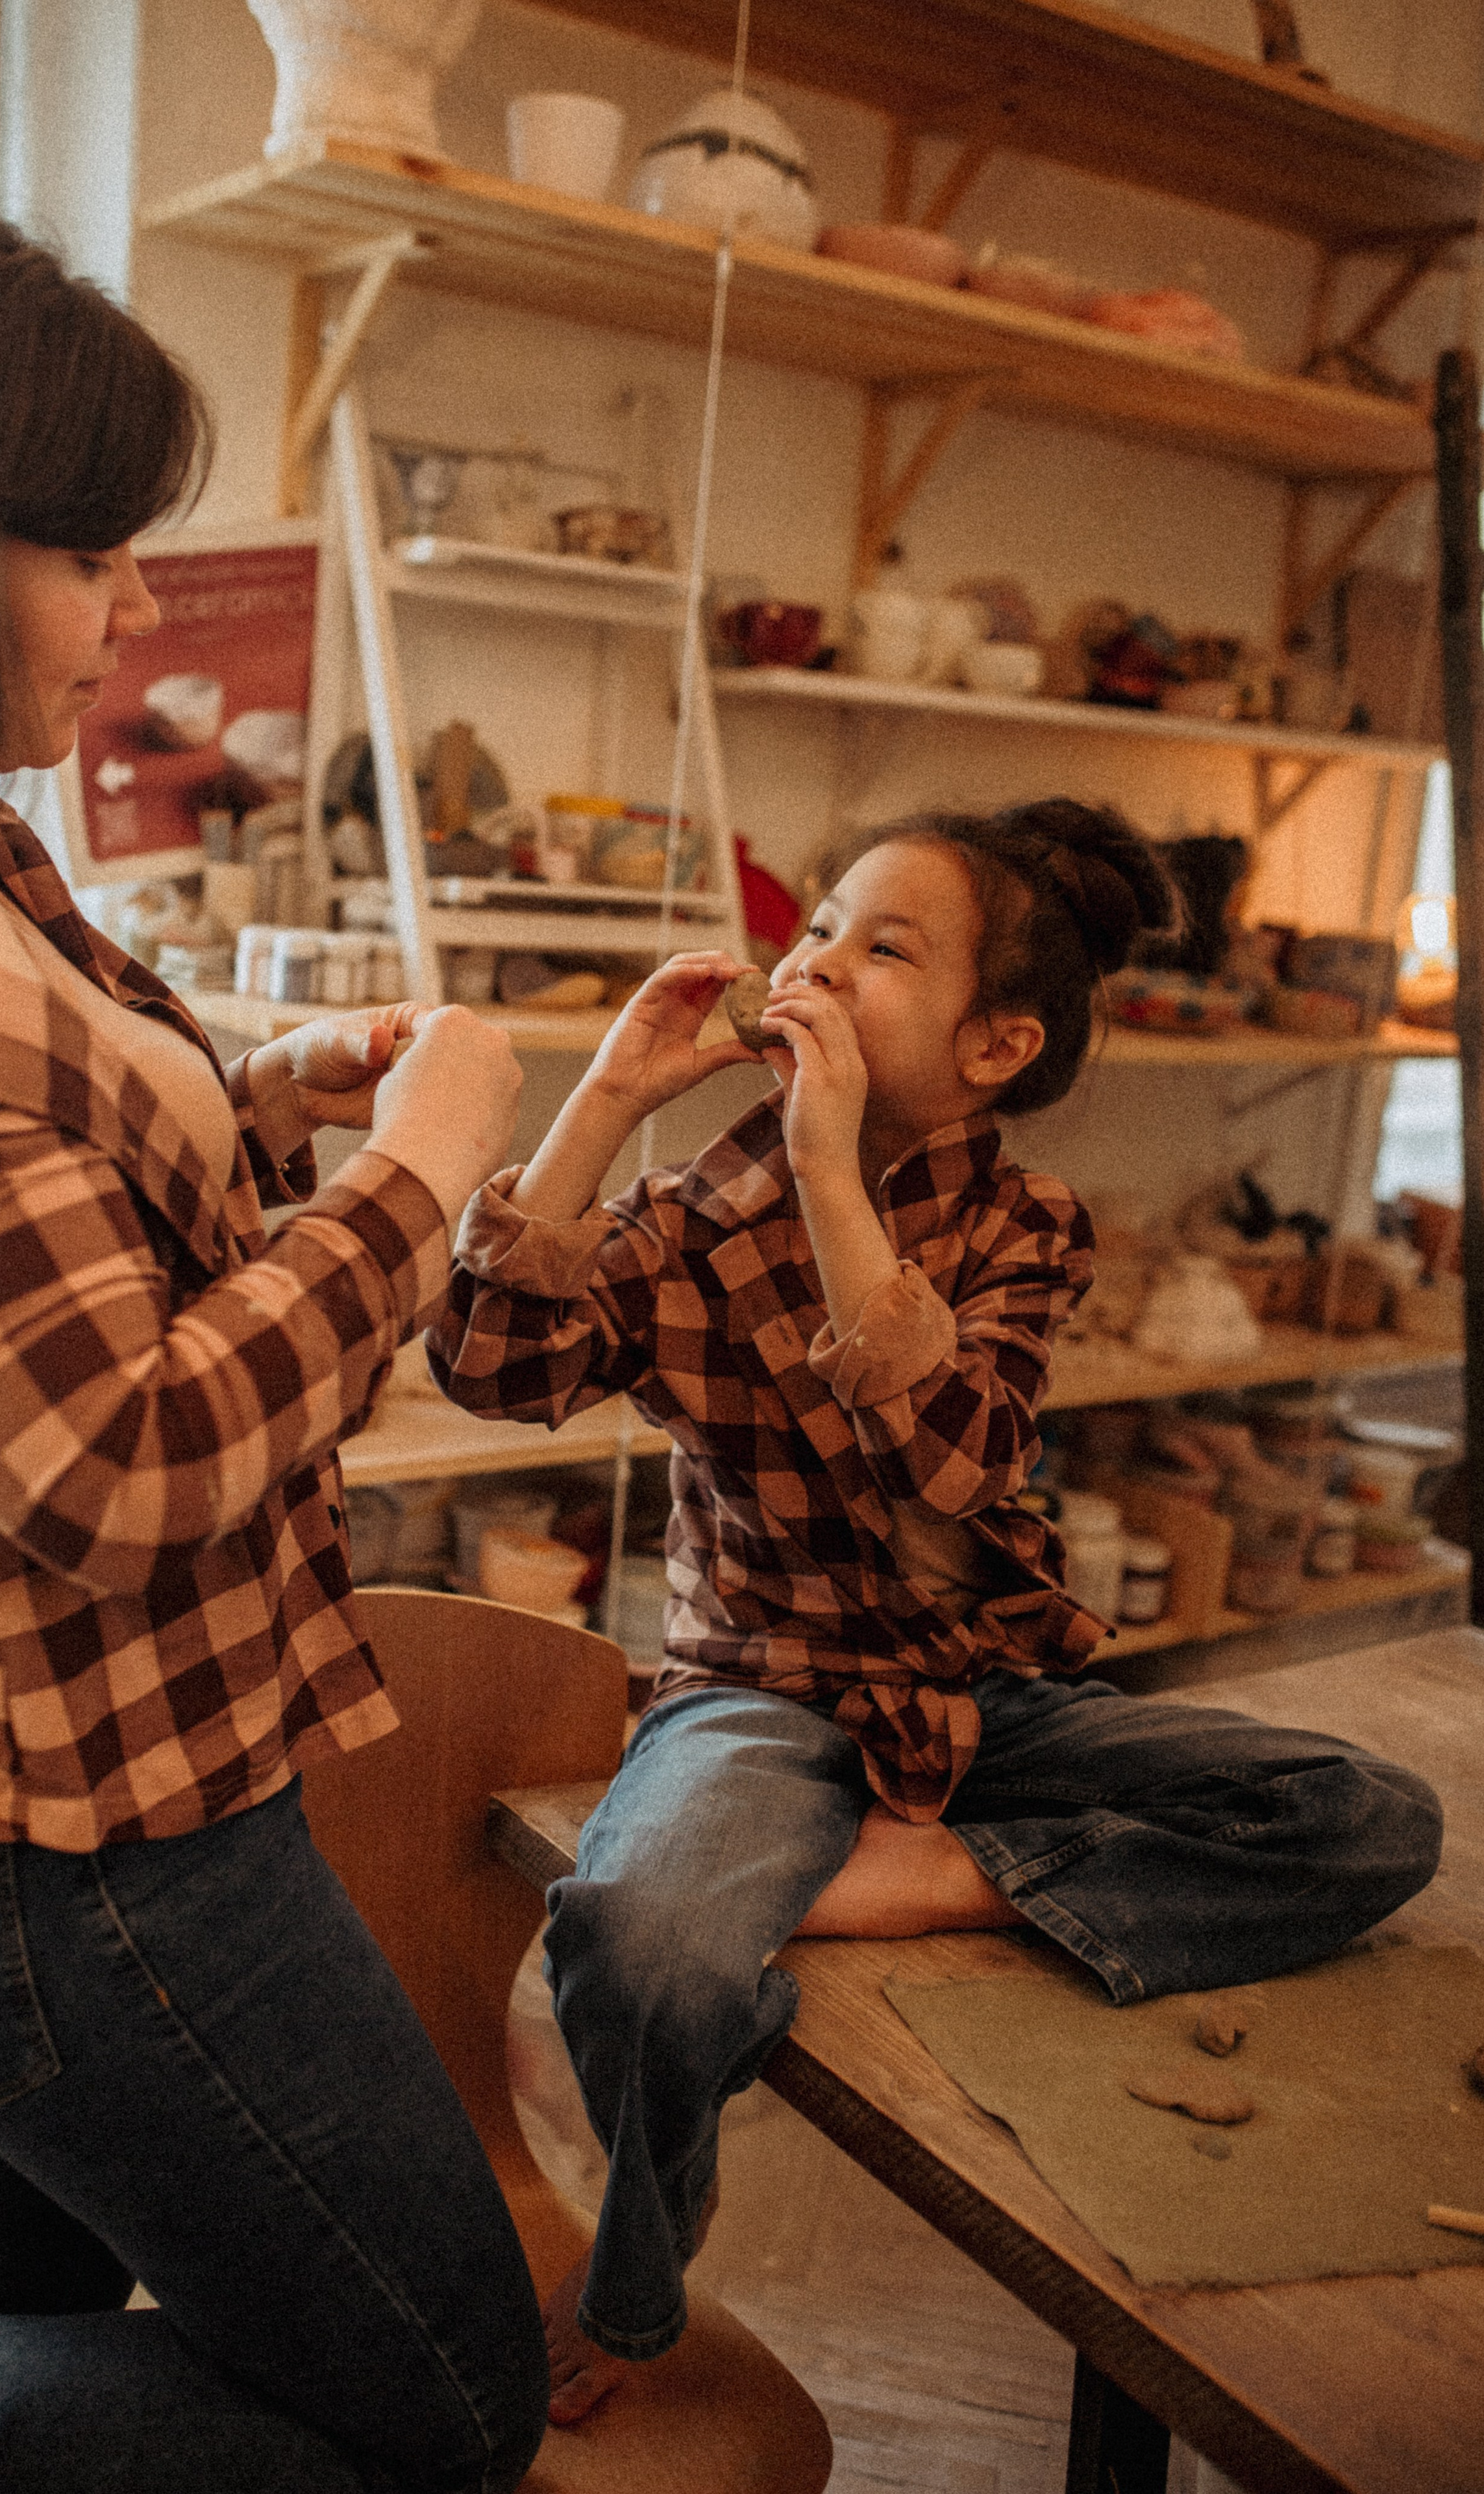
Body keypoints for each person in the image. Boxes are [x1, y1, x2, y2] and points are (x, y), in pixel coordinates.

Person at [0, 186, 547, 2493]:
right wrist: (415, 1178)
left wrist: (253, 1107)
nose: (139, 606)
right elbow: (111, 1461)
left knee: (0, 2327)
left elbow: (22, 1217)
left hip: (51, 1793)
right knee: (444, 2413)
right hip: (63, 1840)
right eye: (93, 548)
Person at [429, 799, 1444, 2424]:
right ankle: (642, 2265)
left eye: (878, 946)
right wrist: (606, 1096)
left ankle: (939, 1878)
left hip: (990, 1693)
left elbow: (962, 1466)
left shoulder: (1027, 1226)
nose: (817, 962)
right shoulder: (697, 1206)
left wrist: (832, 1174)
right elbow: (492, 1366)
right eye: (818, 924)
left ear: (996, 1044)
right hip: (756, 1694)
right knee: (638, 1942)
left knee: (1368, 1818)